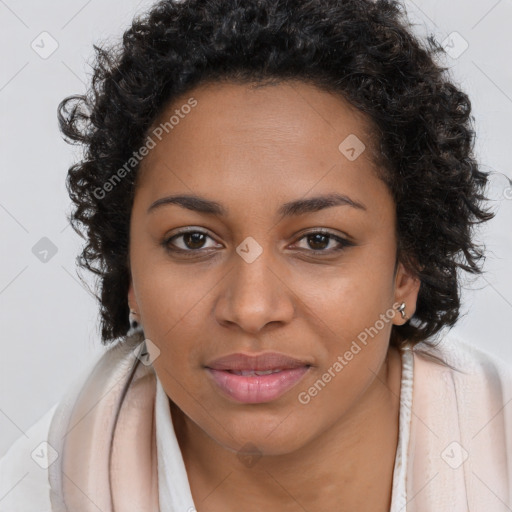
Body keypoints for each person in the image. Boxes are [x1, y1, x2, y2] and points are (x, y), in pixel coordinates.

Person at [1, 0, 511, 510]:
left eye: (319, 240)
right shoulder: (39, 487)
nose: (250, 309)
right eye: (193, 240)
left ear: (405, 272)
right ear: (129, 272)